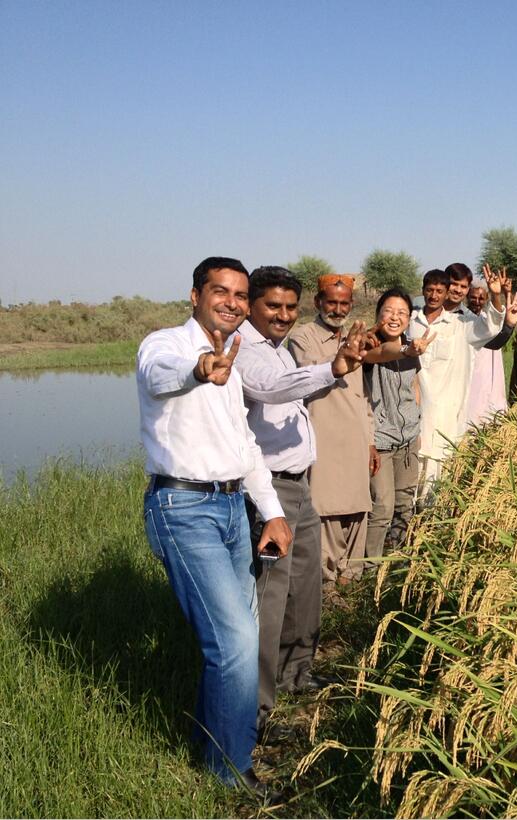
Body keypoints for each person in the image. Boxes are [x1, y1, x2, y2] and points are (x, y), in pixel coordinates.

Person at [138, 257, 290, 797]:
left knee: (235, 641)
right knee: (235, 639)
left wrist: (271, 510)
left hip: (230, 510)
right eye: (220, 291)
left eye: (240, 295)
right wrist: (199, 369)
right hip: (183, 508)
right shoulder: (167, 346)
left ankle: (220, 745)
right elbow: (159, 377)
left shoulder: (235, 361)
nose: (232, 302)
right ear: (196, 295)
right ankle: (229, 771)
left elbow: (244, 446)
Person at [233, 266, 372, 740]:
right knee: (271, 597)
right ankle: (259, 711)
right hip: (269, 489)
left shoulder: (275, 350)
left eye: (290, 307)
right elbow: (271, 389)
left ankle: (298, 673)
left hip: (299, 483)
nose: (284, 315)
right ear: (251, 304)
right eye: (274, 306)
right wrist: (334, 368)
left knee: (305, 587)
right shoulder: (246, 352)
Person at [285, 274, 377, 586]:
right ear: (318, 303)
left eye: (344, 303)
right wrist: (343, 352)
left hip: (355, 437)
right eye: (332, 302)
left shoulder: (355, 338)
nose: (337, 309)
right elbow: (309, 369)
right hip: (323, 436)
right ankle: (325, 580)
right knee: (324, 508)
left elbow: (362, 395)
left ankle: (350, 576)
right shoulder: (302, 337)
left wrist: (371, 441)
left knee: (357, 506)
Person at [408, 266, 505, 492]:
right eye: (453, 284)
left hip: (446, 419)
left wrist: (496, 294)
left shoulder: (465, 323)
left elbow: (492, 327)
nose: (458, 291)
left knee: (435, 488)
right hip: (411, 416)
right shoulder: (414, 319)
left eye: (464, 286)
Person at [363, 287, 434, 559]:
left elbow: (413, 385)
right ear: (378, 314)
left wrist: (415, 420)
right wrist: (406, 349)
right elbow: (385, 352)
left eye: (402, 312)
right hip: (380, 441)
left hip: (407, 440)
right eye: (389, 311)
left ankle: (397, 557)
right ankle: (370, 565)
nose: (395, 317)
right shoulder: (370, 345)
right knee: (382, 506)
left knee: (405, 502)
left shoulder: (411, 347)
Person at [465, 275, 517, 426]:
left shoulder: (490, 318)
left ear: (486, 299)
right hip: (471, 369)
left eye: (481, 298)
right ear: (467, 298)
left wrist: (503, 295)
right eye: (473, 298)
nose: (477, 302)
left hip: (490, 366)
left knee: (490, 405)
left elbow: (499, 337)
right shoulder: (463, 320)